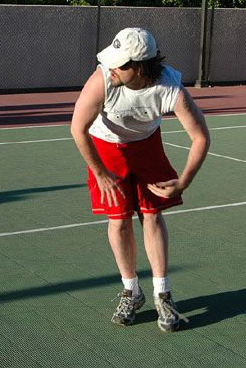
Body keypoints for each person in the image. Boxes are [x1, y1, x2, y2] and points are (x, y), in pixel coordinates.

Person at [70, 27, 210, 332]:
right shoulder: (103, 81)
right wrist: (99, 172)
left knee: (152, 215)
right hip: (107, 149)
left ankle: (163, 294)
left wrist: (184, 180)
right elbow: (77, 128)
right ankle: (131, 291)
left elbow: (200, 137)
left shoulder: (169, 87)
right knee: (119, 220)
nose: (112, 68)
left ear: (139, 67)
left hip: (147, 146)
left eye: (120, 64)